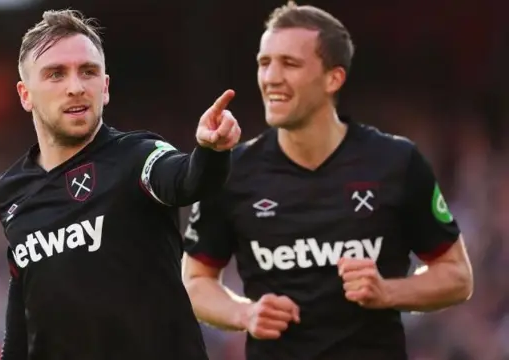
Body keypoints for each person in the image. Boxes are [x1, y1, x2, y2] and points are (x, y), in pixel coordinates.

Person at [182, 2, 474, 360]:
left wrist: (388, 292)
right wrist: (244, 312)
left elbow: (457, 276)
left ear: (333, 78)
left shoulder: (396, 162)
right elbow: (195, 281)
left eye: (289, 63)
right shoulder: (231, 172)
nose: (271, 77)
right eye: (264, 63)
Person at [0, 9, 241, 360]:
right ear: (25, 94)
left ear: (105, 87)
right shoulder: (10, 190)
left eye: (88, 72)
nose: (76, 87)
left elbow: (187, 180)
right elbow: (23, 299)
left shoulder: (137, 157)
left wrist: (211, 152)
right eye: (56, 74)